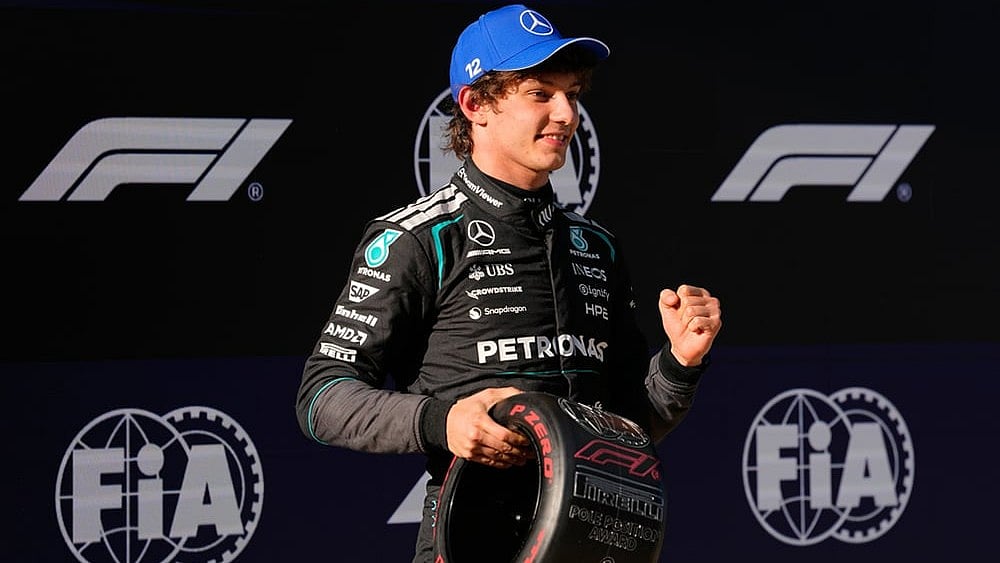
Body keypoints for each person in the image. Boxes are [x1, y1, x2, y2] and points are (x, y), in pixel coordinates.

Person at [295, 4, 722, 562]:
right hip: (472, 539)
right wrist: (441, 420)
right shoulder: (419, 239)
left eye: (573, 93)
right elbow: (321, 397)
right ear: (475, 105)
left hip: (598, 541)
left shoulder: (595, 246)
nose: (567, 113)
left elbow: (628, 429)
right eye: (541, 93)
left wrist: (680, 365)